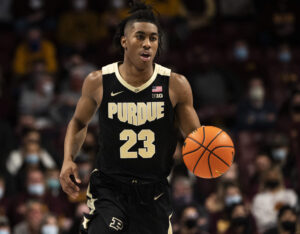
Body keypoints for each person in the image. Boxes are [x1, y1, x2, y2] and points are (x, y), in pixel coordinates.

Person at [59, 2, 201, 234]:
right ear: (124, 41)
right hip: (110, 186)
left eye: (153, 38)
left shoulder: (176, 85)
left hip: (153, 190)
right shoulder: (98, 81)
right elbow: (78, 122)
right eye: (140, 36)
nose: (147, 43)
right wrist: (68, 159)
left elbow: (197, 140)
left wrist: (212, 154)